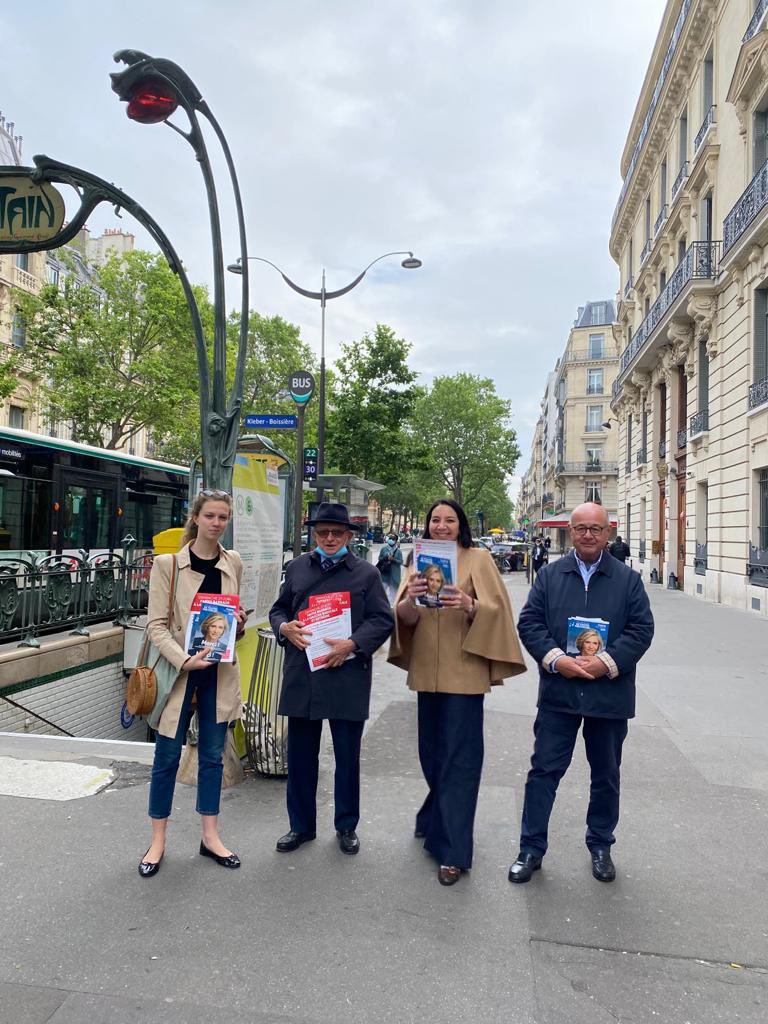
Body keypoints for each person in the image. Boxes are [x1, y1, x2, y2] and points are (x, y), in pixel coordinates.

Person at [508, 502, 654, 885]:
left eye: (596, 528)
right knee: (543, 772)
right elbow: (530, 622)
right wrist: (557, 659)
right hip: (560, 691)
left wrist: (604, 661)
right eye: (581, 528)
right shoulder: (551, 575)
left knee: (606, 775)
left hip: (609, 695)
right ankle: (530, 848)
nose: (588, 534)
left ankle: (601, 845)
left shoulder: (628, 580)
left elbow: (641, 630)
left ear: (608, 533)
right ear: (571, 532)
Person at [389, 499, 526, 886]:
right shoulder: (416, 560)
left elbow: (498, 610)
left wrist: (469, 604)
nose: (442, 525)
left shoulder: (478, 558)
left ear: (460, 524)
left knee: (461, 761)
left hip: (464, 672)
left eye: (450, 520)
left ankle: (454, 852)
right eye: (435, 519)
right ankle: (434, 815)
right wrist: (410, 601)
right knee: (431, 755)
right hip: (426, 672)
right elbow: (403, 618)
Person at [269, 502, 393, 856]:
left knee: (347, 758)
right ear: (314, 534)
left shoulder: (366, 574)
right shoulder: (296, 568)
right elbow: (278, 609)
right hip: (304, 673)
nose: (328, 538)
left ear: (349, 536)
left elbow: (382, 620)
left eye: (336, 533)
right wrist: (284, 628)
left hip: (345, 673)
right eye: (322, 532)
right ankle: (301, 827)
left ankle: (346, 826)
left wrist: (353, 644)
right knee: (301, 757)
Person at [138, 489, 248, 879]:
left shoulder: (233, 561)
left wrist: (239, 624)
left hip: (219, 672)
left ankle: (210, 837)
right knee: (166, 758)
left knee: (213, 758)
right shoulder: (169, 565)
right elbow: (154, 625)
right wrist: (184, 659)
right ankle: (158, 840)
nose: (217, 523)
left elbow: (232, 617)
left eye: (223, 518)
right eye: (211, 516)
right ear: (196, 518)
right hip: (181, 675)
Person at [376, 533, 404, 604]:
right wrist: (384, 558)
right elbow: (379, 558)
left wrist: (393, 559)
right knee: (382, 592)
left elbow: (401, 561)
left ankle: (390, 608)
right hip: (384, 574)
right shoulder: (384, 549)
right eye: (390, 538)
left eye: (393, 539)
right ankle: (382, 605)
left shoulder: (398, 551)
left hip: (394, 575)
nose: (391, 540)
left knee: (393, 594)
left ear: (396, 540)